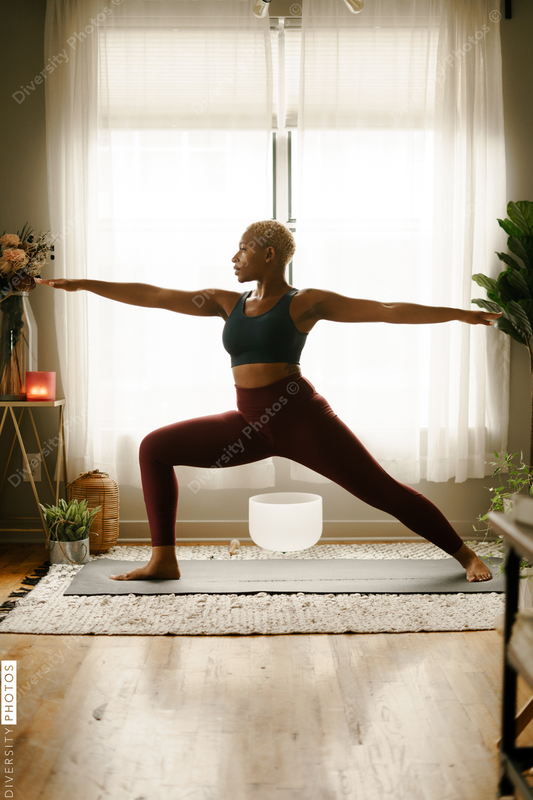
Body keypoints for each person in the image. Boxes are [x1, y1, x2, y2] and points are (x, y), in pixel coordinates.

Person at [37, 220, 501, 583]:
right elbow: (156, 296)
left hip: (302, 420)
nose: (233, 257)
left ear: (268, 253)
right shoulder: (226, 301)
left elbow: (385, 311)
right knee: (154, 447)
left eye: (242, 248)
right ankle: (163, 560)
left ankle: (466, 555)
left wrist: (462, 314)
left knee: (382, 491)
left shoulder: (305, 302)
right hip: (250, 421)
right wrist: (85, 285)